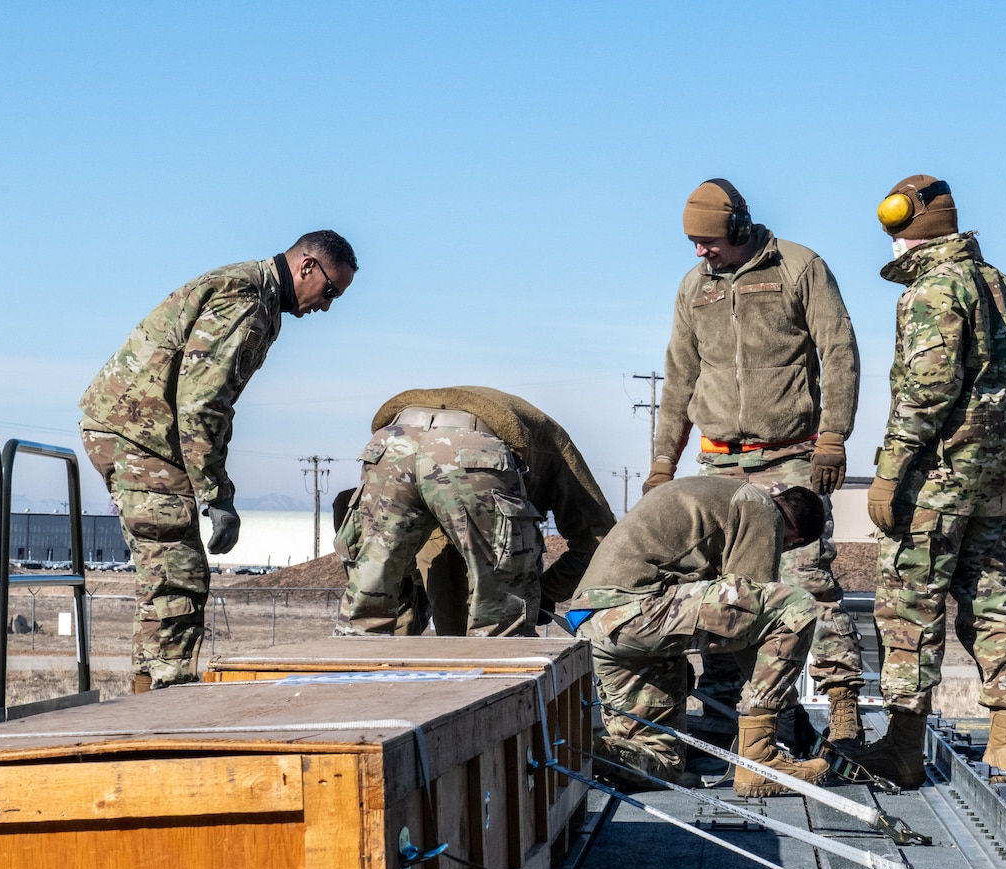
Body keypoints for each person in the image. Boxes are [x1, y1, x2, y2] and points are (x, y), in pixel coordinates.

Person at [645, 179, 869, 749]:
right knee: (725, 590)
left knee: (808, 582)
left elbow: (839, 350)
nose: (700, 252)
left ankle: (843, 707)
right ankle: (730, 713)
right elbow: (679, 378)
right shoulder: (694, 287)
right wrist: (661, 466)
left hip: (791, 458)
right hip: (719, 464)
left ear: (741, 229)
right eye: (693, 242)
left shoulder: (799, 267)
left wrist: (833, 439)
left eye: (710, 240)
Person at [80, 231, 357, 690]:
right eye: (329, 291)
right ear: (307, 267)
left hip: (146, 434)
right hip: (140, 435)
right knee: (178, 574)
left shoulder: (261, 300)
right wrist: (215, 494)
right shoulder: (246, 300)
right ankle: (167, 701)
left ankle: (150, 693)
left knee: (165, 575)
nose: (326, 306)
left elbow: (212, 403)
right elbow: (201, 402)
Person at [850, 176, 1006, 786]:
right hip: (999, 476)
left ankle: (904, 747)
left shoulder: (933, 290)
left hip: (938, 478)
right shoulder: (1005, 287)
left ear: (909, 226)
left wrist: (888, 471)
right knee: (988, 595)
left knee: (909, 607)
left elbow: (925, 391)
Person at [570, 476, 830, 797]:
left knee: (663, 760)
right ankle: (759, 761)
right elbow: (755, 626)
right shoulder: (762, 510)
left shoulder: (722, 497)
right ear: (795, 539)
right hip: (632, 608)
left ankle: (582, 747)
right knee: (796, 605)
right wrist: (786, 709)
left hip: (596, 621)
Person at [335, 386, 617, 636]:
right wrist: (544, 592)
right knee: (501, 619)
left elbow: (357, 523)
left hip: (390, 442)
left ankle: (355, 682)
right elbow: (600, 541)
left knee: (366, 610)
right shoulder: (554, 445)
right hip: (473, 449)